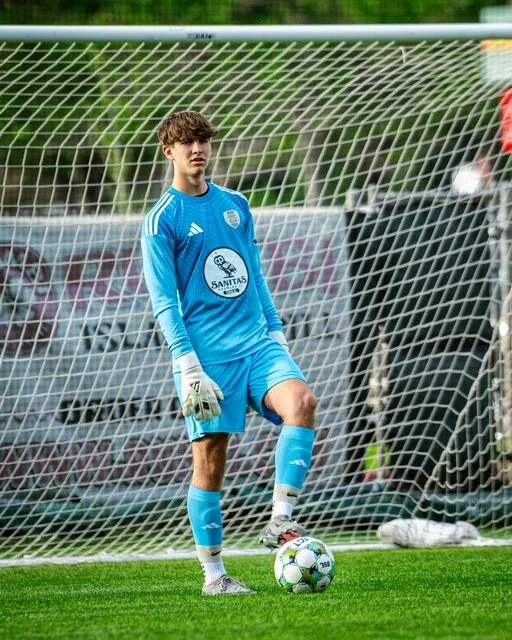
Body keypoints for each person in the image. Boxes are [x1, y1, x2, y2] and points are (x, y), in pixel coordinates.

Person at [141, 111, 317, 596]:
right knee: (210, 464)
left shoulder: (236, 204)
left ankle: (281, 520)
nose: (197, 149)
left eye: (203, 141)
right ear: (169, 151)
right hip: (205, 360)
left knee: (301, 403)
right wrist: (188, 365)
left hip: (258, 344)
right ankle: (215, 576)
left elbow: (253, 273)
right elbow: (164, 302)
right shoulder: (161, 221)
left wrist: (277, 333)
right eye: (187, 142)